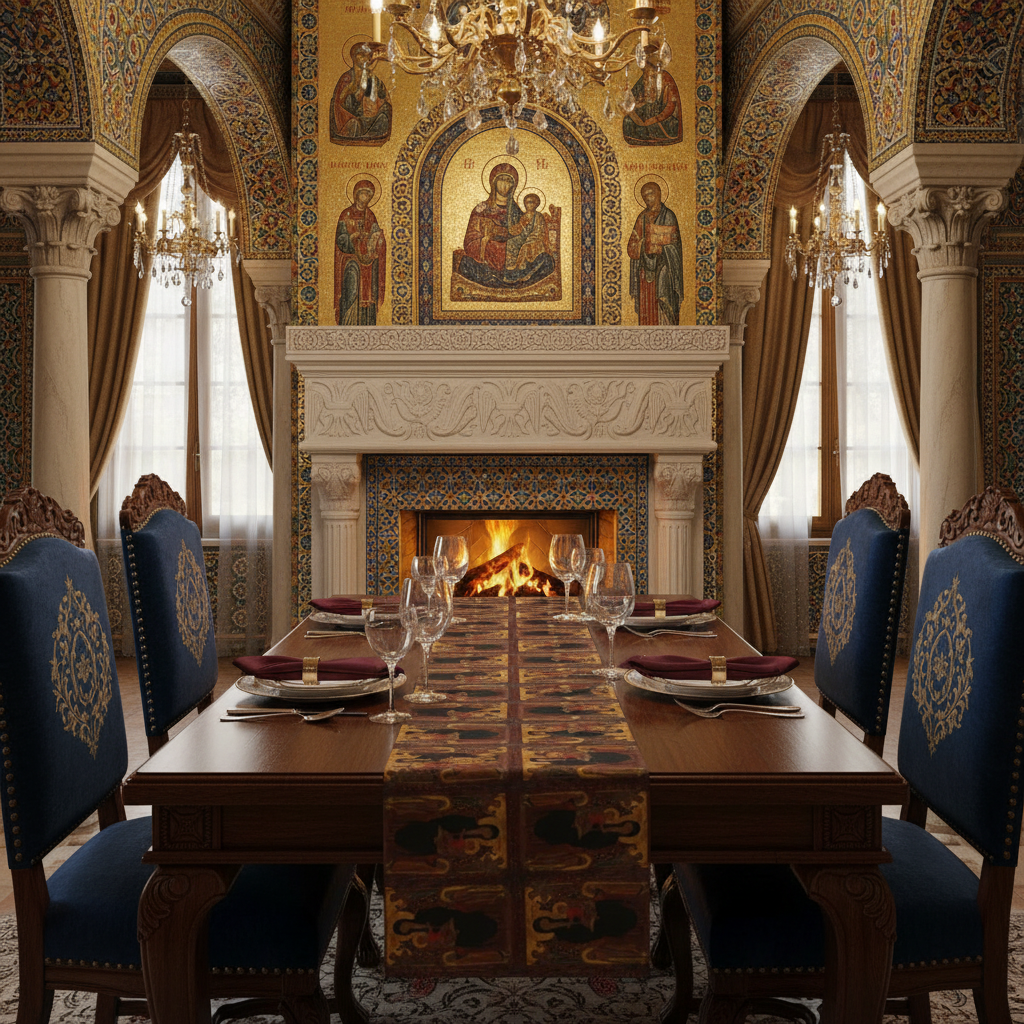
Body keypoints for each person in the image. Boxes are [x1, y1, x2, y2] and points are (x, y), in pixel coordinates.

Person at [456, 164, 555, 289]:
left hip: (514, 253)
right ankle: (505, 277)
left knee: (546, 261)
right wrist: (488, 241)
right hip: (489, 252)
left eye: (508, 181)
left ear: (513, 186)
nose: (504, 185)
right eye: (501, 180)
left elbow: (524, 232)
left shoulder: (516, 210)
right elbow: (470, 240)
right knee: (466, 265)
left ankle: (509, 277)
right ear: (494, 182)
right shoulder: (481, 209)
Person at [627, 181, 683, 325]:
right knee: (647, 312)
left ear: (658, 194)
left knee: (664, 306)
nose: (647, 199)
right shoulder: (642, 218)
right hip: (646, 274)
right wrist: (642, 245)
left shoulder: (669, 216)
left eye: (650, 194)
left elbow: (676, 248)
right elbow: (631, 246)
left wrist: (661, 249)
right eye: (644, 196)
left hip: (665, 271)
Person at [334, 180, 385, 325]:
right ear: (356, 194)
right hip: (350, 258)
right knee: (353, 278)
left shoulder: (370, 215)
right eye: (363, 194)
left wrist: (377, 239)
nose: (366, 198)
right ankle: (348, 322)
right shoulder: (346, 214)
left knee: (370, 283)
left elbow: (376, 237)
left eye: (369, 195)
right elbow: (341, 239)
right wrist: (353, 237)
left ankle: (368, 323)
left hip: (368, 260)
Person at [330, 43, 391, 144]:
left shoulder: (372, 77)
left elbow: (383, 97)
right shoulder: (347, 78)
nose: (365, 58)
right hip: (352, 118)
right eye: (361, 55)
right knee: (354, 124)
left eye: (368, 55)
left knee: (384, 115)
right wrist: (354, 88)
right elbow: (341, 103)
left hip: (370, 119)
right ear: (354, 57)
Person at [622, 66, 682, 147]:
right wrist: (627, 95)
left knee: (647, 127)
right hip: (647, 114)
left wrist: (653, 120)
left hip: (664, 120)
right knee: (627, 120)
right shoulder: (645, 75)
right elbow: (633, 96)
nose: (646, 80)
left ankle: (649, 137)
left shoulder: (666, 79)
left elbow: (670, 108)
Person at [505, 192, 550, 270]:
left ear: (536, 204)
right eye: (527, 203)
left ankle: (522, 267)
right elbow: (519, 229)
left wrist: (529, 238)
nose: (529, 205)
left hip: (535, 239)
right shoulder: (524, 216)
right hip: (523, 237)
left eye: (531, 202)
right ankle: (511, 266)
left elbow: (540, 230)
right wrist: (515, 229)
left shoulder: (538, 216)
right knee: (510, 242)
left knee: (525, 247)